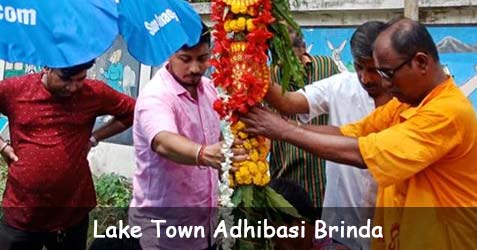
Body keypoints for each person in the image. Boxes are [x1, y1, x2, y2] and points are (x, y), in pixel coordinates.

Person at [242, 18, 477, 249]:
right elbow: (349, 134)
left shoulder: (447, 113)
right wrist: (283, 126)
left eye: (387, 73)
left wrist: (283, 130)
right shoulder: (407, 104)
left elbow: (363, 154)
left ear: (421, 63)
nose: (383, 82)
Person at [264, 21, 392, 250]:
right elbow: (288, 102)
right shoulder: (341, 85)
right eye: (359, 67)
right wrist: (247, 65)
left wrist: (285, 130)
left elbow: (362, 153)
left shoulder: (410, 100)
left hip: (392, 229)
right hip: (340, 228)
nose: (365, 78)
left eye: (373, 69)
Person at [128, 24, 246, 250]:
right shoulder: (156, 96)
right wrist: (203, 153)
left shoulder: (209, 90)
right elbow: (163, 140)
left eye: (202, 59)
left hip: (205, 229)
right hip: (163, 235)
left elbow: (220, 137)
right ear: (168, 54)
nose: (195, 68)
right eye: (185, 58)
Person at [0, 60, 135, 250]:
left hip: (71, 212)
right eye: (65, 79)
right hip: (22, 213)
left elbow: (132, 112)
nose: (73, 87)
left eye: (80, 79)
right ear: (47, 67)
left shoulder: (93, 92)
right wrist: (3, 147)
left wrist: (94, 138)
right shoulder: (16, 89)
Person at [269, 29, 340, 208]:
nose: (284, 65)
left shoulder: (327, 67)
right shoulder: (269, 79)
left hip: (324, 174)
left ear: (303, 49)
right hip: (287, 175)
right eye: (279, 59)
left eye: (289, 58)